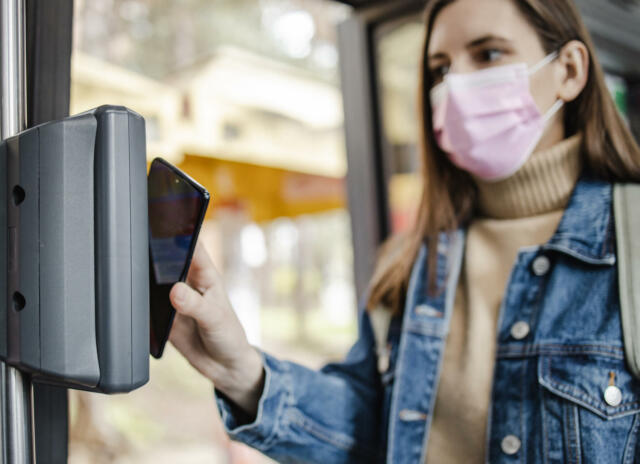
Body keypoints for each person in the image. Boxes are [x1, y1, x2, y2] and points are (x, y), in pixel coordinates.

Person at [167, 0, 640, 462]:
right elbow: (372, 427)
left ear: (571, 70)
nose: (456, 87)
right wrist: (245, 373)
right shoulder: (413, 259)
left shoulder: (631, 243)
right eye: (440, 69)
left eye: (489, 54)